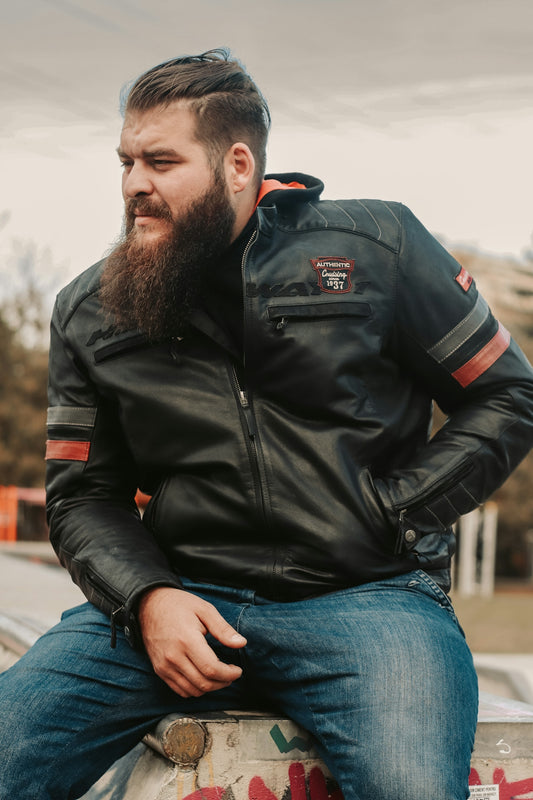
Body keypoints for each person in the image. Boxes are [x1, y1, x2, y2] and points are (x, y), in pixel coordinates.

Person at [1, 48, 533, 800]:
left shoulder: (378, 249)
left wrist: (391, 509)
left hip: (370, 602)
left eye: (159, 162)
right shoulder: (90, 308)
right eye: (124, 162)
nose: (133, 187)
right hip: (181, 598)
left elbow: (509, 394)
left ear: (238, 164)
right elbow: (82, 495)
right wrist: (148, 598)